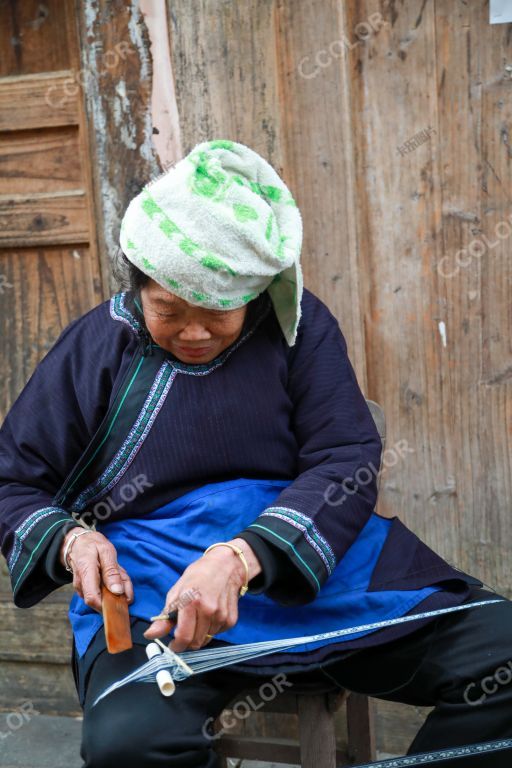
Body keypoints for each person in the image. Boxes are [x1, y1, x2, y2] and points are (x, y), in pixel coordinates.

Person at [0, 139, 510, 768]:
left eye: (218, 312)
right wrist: (73, 542)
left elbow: (345, 458)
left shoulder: (299, 328)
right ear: (138, 289)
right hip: (152, 589)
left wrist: (242, 559)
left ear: (255, 294)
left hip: (303, 570)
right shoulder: (96, 348)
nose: (193, 332)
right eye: (169, 310)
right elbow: (13, 483)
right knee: (129, 746)